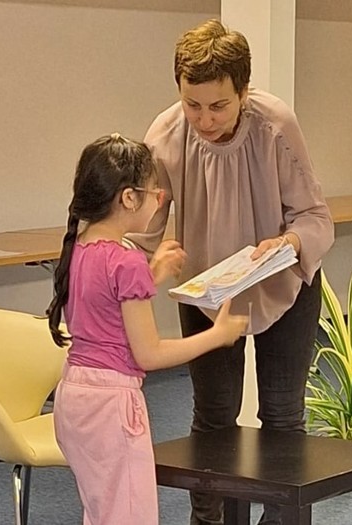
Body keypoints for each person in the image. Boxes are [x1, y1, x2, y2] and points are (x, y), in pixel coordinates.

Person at [131, 19, 335, 525]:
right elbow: (141, 231)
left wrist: (288, 243)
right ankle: (208, 521)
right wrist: (130, 270)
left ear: (243, 91)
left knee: (283, 418)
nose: (204, 119)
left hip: (283, 284)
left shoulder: (275, 125)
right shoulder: (165, 134)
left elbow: (315, 217)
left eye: (218, 105)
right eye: (192, 104)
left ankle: (280, 521)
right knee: (214, 417)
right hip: (207, 293)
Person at [46, 133, 249, 525]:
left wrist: (151, 275)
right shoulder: (126, 261)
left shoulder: (80, 246)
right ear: (128, 198)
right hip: (112, 406)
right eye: (155, 191)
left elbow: (105, 304)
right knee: (128, 515)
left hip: (74, 396)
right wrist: (216, 336)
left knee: (102, 511)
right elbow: (149, 354)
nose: (160, 198)